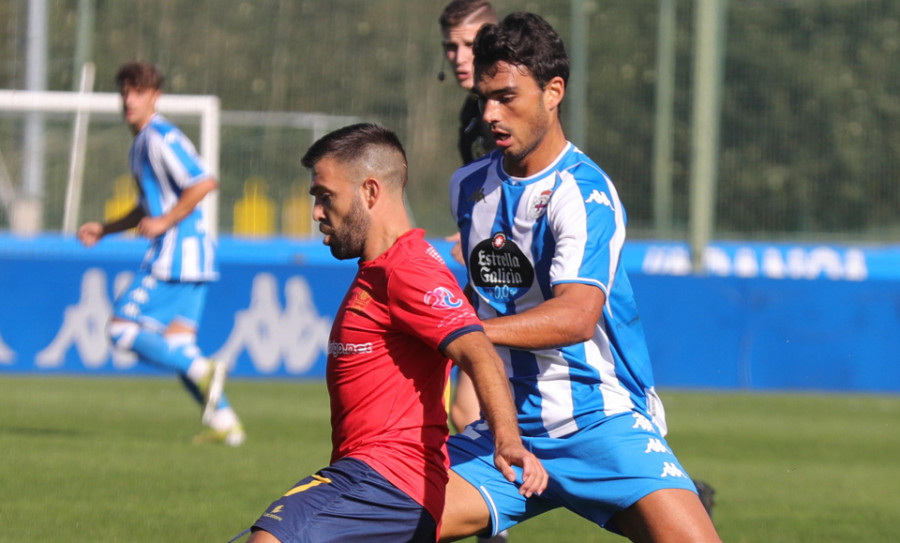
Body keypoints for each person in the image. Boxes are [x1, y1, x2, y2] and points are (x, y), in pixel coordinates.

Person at [441, 13, 722, 543]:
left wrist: (463, 333)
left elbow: (576, 316)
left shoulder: (584, 193)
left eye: (506, 97)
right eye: (484, 99)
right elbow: (482, 298)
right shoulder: (468, 187)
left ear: (553, 92)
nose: (490, 115)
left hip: (600, 422)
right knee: (383, 522)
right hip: (507, 431)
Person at [244, 123, 547, 543]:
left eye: (324, 197)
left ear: (370, 192)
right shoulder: (380, 269)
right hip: (377, 483)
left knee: (273, 538)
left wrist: (508, 440)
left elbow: (478, 350)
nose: (316, 212)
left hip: (386, 482)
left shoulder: (409, 270)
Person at [77, 61, 244, 446]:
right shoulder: (140, 144)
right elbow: (146, 207)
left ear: (155, 96)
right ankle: (227, 425)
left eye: (137, 92)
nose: (129, 99)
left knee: (121, 329)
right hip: (195, 256)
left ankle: (207, 368)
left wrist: (165, 220)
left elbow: (203, 182)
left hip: (175, 254)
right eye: (124, 92)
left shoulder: (159, 137)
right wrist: (105, 229)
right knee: (179, 344)